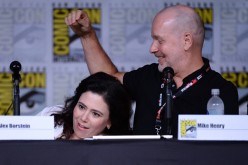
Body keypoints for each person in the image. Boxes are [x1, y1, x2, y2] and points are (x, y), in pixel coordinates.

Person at [65, 4, 239, 137]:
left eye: (159, 40)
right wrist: (87, 36)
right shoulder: (150, 75)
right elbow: (108, 80)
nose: (152, 48)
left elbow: (222, 152)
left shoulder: (221, 92)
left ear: (187, 41)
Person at [38, 72, 132, 139]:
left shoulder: (112, 152)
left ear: (110, 121)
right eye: (81, 107)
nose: (83, 118)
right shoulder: (50, 114)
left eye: (95, 114)